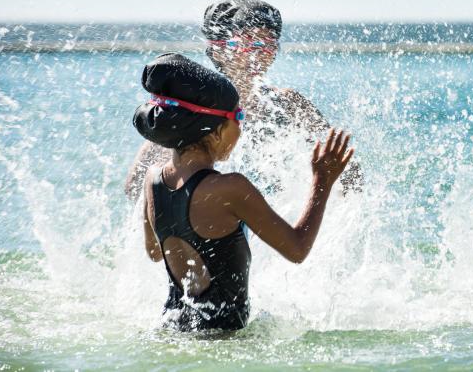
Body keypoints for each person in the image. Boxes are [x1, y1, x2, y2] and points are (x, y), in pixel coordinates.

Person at [133, 53, 353, 331]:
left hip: (172, 329)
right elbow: (297, 249)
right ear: (214, 131)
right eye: (239, 116)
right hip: (221, 342)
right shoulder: (230, 188)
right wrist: (323, 181)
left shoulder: (152, 179)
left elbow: (155, 252)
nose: (243, 127)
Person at [125, 0, 362, 201]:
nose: (259, 53)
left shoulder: (289, 104)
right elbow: (135, 186)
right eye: (248, 43)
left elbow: (347, 167)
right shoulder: (192, 110)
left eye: (268, 44)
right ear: (218, 49)